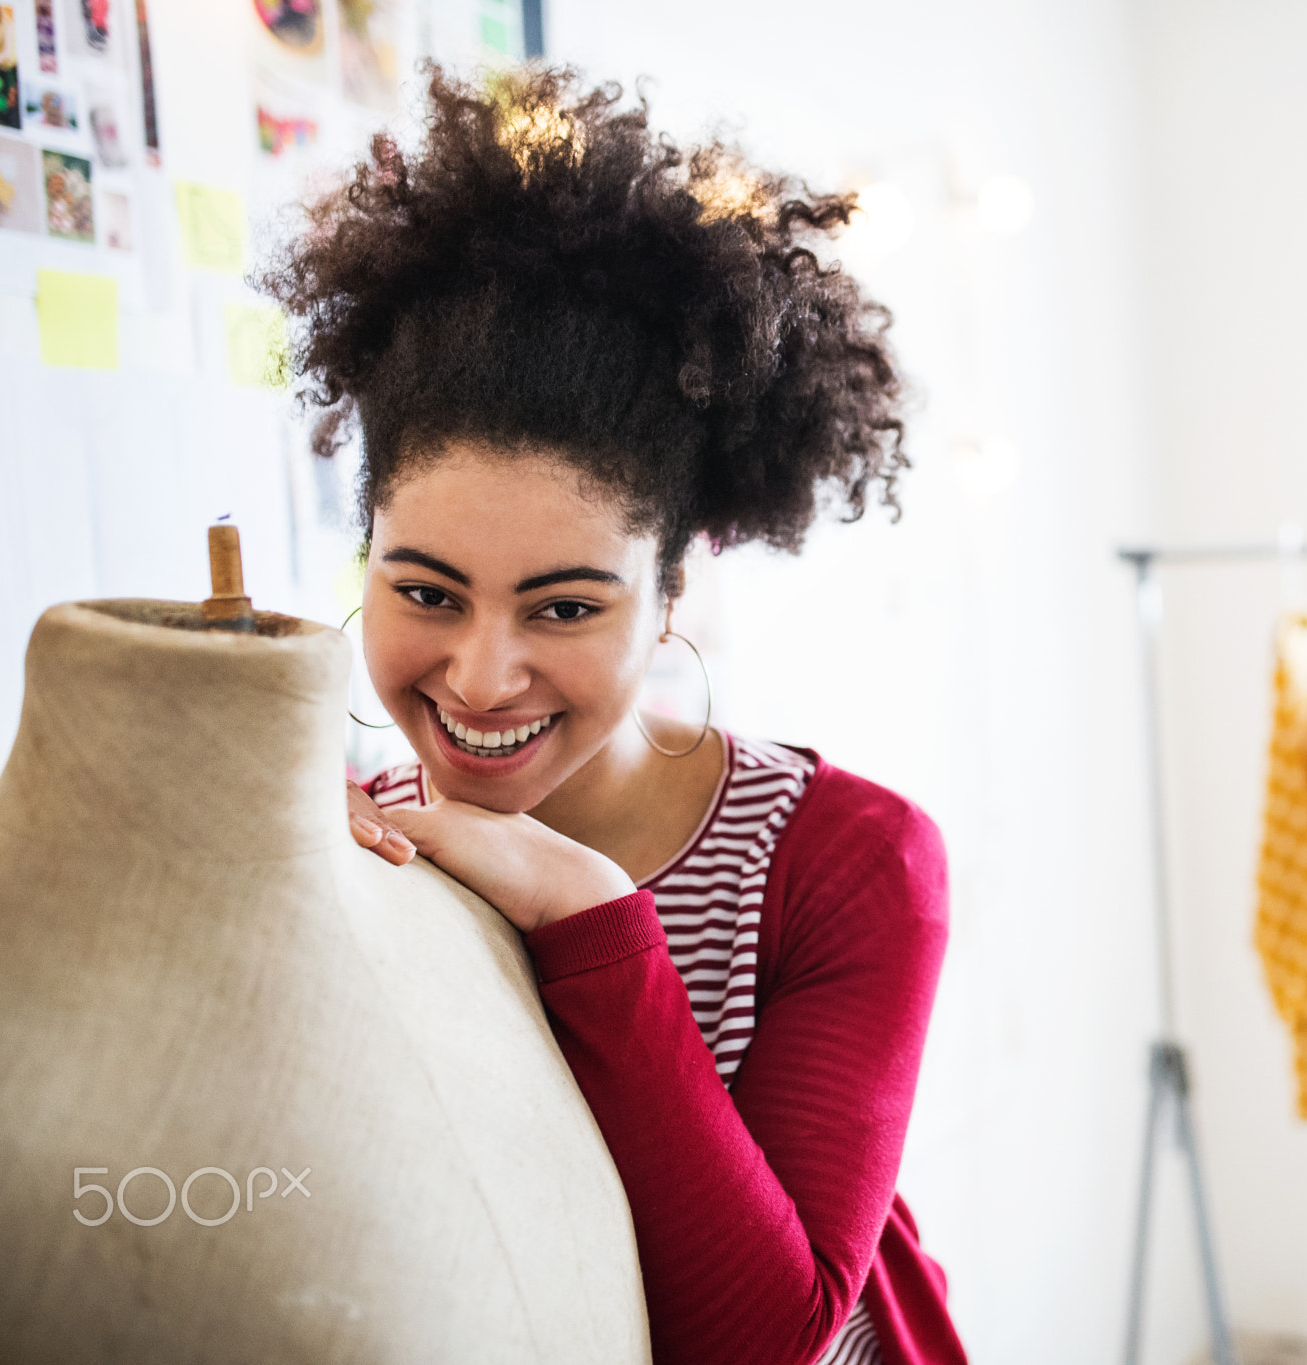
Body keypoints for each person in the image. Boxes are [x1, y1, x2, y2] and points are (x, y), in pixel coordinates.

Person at [263, 65, 964, 1365]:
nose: (479, 677)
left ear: (672, 589)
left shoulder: (851, 864)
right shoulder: (330, 840)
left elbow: (766, 1337)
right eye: (425, 588)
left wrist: (583, 911)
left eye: (565, 608)